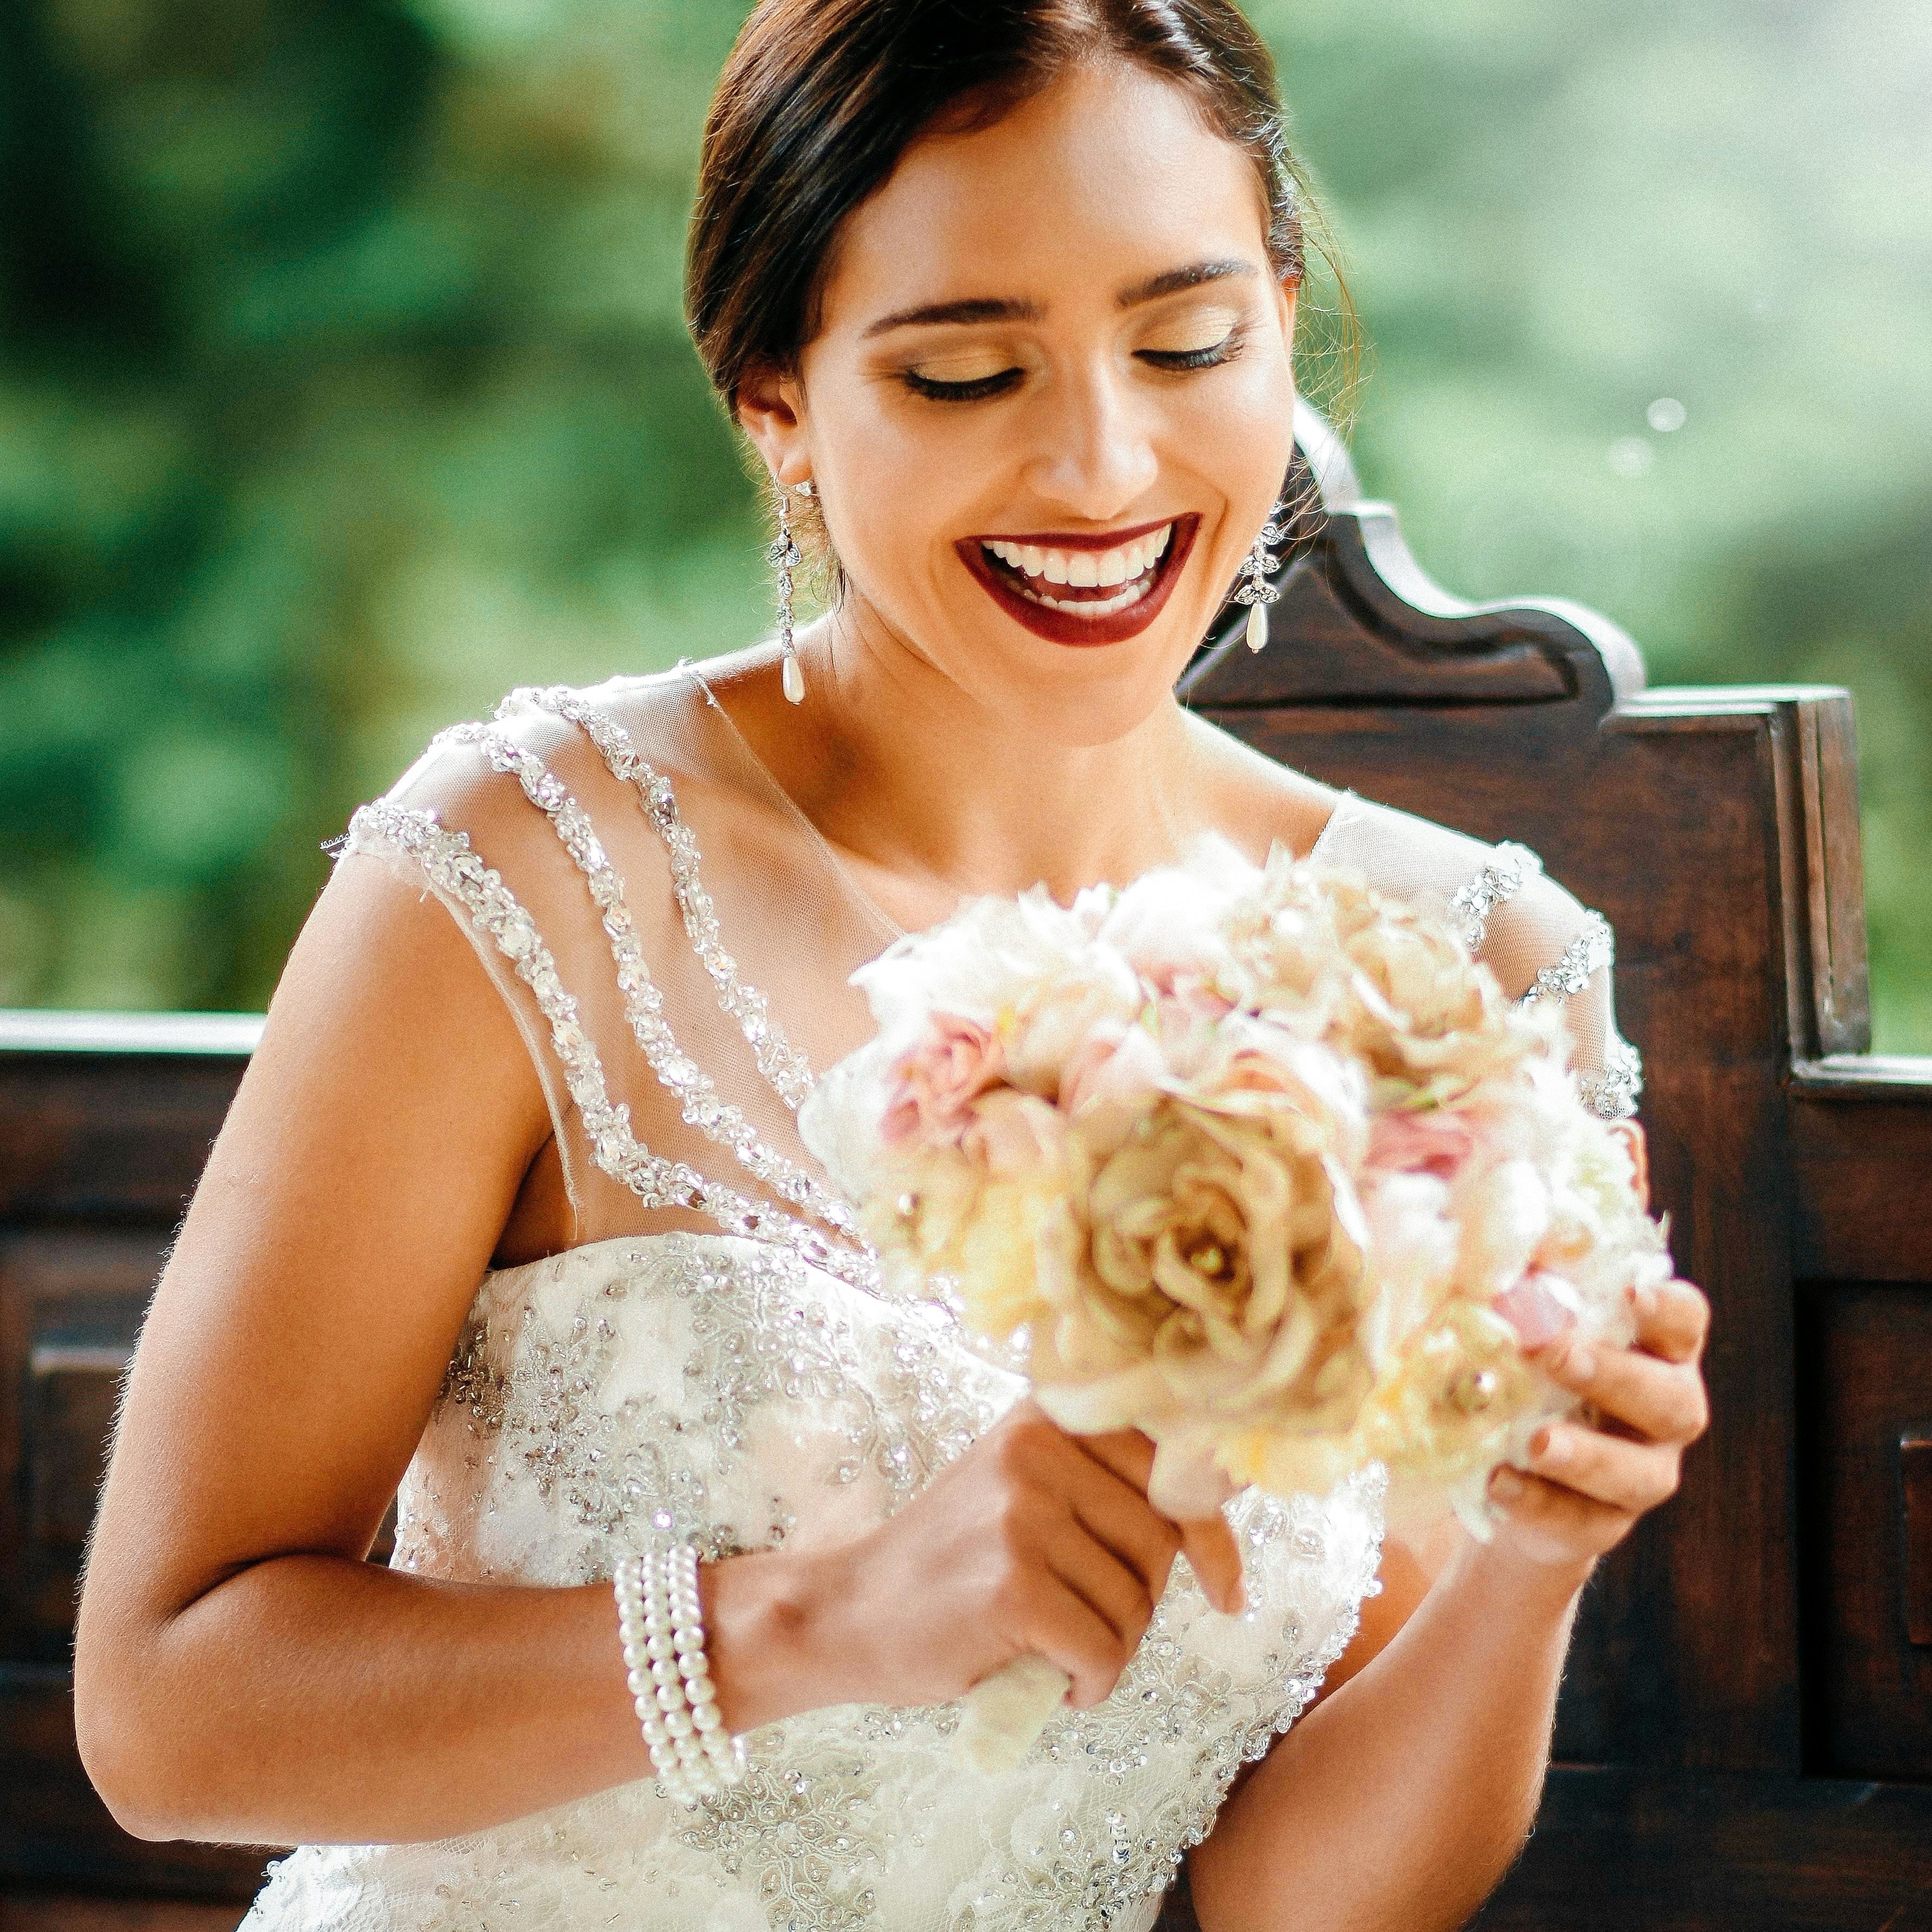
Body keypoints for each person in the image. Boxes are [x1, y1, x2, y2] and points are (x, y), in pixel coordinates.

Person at [71, 3, 1710, 1928]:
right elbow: (171, 1711)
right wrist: (808, 1622)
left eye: (1187, 343)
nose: (1103, 464)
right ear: (772, 396)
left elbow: (1293, 1903)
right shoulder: (525, 876)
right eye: (961, 375)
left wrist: (1531, 1556)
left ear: (1280, 317)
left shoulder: (1460, 975)